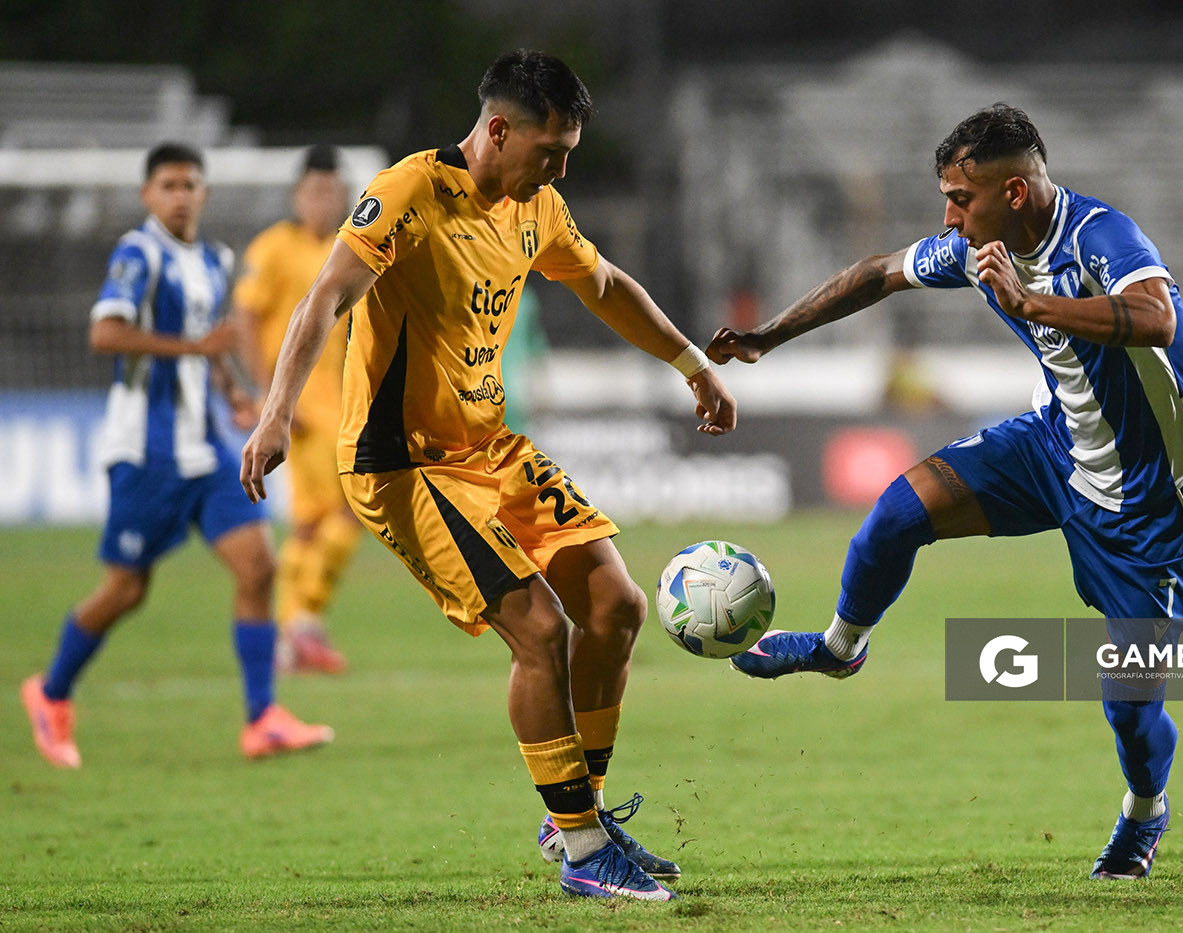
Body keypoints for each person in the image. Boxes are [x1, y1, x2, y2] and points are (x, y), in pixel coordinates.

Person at [240, 50, 736, 901]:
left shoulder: (536, 204)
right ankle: (584, 856)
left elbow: (605, 282)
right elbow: (324, 295)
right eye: (552, 150)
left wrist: (692, 361)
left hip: (489, 445)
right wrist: (278, 412)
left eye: (570, 152)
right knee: (539, 630)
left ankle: (576, 811)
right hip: (403, 461)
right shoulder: (410, 195)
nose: (562, 168)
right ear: (498, 130)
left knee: (616, 605)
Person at [707, 103, 1183, 880]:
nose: (949, 216)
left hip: (1147, 503)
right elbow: (877, 273)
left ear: (1013, 193)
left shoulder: (1101, 236)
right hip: (1055, 447)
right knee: (895, 513)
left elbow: (1156, 316)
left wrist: (1030, 304)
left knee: (1130, 706)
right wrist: (767, 338)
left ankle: (1146, 810)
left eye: (961, 198)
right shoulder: (978, 246)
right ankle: (841, 648)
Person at [20, 143, 335, 769]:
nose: (181, 195)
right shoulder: (138, 255)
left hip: (207, 444)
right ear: (147, 195)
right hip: (146, 449)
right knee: (127, 588)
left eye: (190, 184)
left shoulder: (213, 260)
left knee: (259, 567)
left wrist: (240, 398)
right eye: (168, 184)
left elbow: (213, 347)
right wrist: (195, 348)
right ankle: (51, 692)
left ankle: (262, 718)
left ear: (205, 194)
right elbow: (103, 333)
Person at [233, 145, 362, 674]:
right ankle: (298, 626)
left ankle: (300, 627)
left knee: (339, 517)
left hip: (343, 400)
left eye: (332, 192)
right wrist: (269, 399)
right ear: (296, 195)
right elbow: (244, 320)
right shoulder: (274, 250)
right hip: (300, 408)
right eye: (313, 191)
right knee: (331, 518)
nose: (322, 202)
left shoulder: (349, 246)